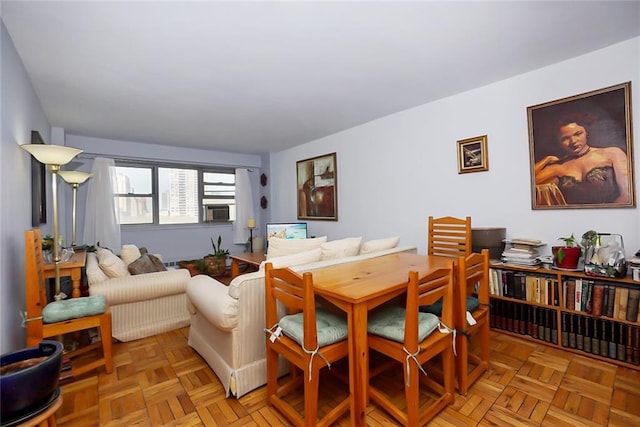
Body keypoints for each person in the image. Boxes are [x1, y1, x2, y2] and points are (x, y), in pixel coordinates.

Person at [534, 113, 629, 205]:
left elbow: (627, 195)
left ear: (586, 132)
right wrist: (546, 159)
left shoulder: (612, 153)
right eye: (565, 138)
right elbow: (526, 184)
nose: (573, 141)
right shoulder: (557, 167)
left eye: (578, 134)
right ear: (558, 142)